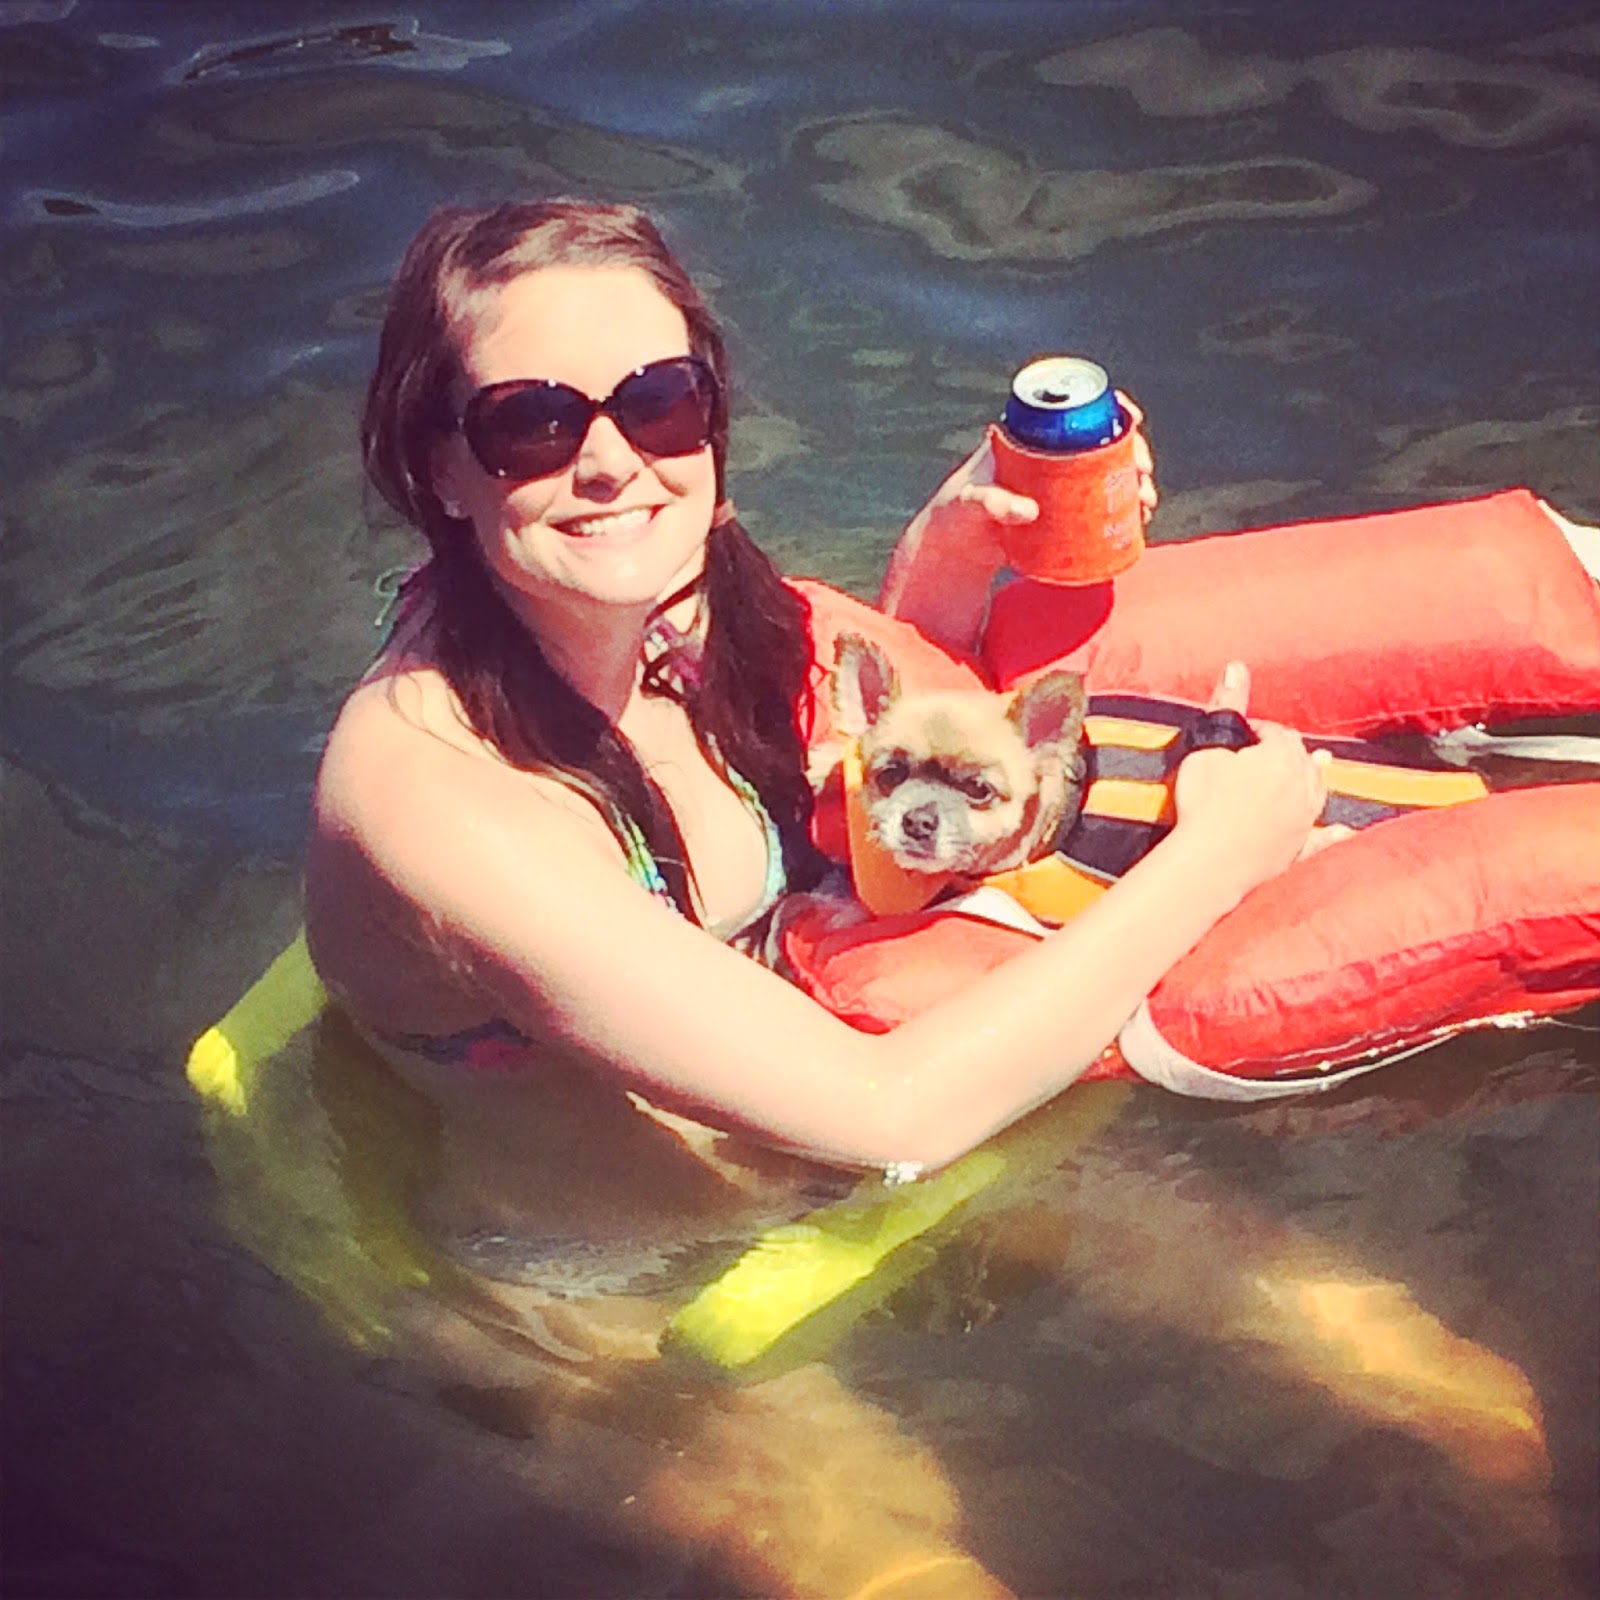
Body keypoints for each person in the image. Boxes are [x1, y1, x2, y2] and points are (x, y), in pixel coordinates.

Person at [305, 196, 1327, 1180]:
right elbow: (891, 1118)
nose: (612, 462)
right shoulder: (439, 800)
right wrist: (1218, 853)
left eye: (660, 402)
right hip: (629, 1239)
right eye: (532, 423)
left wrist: (951, 554)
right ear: (442, 469)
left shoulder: (662, 594)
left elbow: (886, 750)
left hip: (825, 1098)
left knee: (1300, 1260)